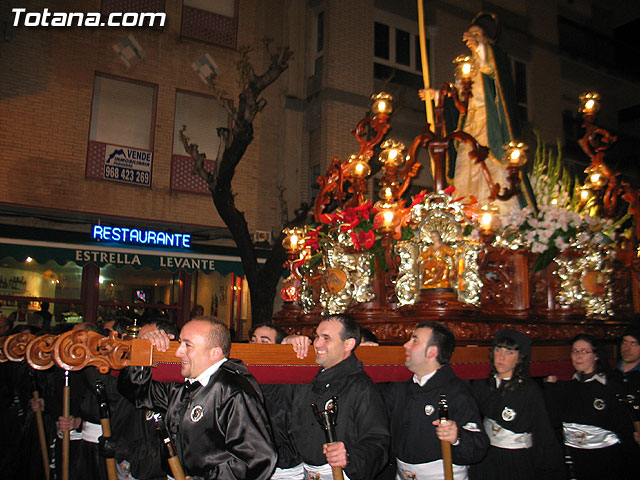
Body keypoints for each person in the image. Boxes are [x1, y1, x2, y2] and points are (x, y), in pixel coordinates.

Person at [118, 316, 277, 479]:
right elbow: (135, 390)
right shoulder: (181, 387)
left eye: (188, 345)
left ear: (215, 352)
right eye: (180, 343)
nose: (178, 352)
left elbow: (258, 458)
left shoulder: (233, 391)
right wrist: (141, 348)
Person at [263, 314, 390, 479]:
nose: (317, 343)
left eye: (326, 338)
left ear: (348, 344)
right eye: (316, 336)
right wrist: (283, 347)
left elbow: (377, 442)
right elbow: (270, 390)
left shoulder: (361, 388)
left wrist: (349, 457)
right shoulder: (309, 382)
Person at [382, 321, 488, 479]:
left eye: (414, 340)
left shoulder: (456, 392)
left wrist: (458, 437)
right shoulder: (400, 389)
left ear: (431, 352)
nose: (406, 345)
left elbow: (478, 447)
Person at [469, 329, 564, 479]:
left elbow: (542, 429)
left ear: (520, 358)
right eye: (498, 350)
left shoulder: (529, 390)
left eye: (509, 353)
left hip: (516, 458)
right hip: (487, 457)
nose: (501, 357)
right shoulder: (482, 385)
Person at [545, 333, 637, 479]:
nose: (578, 356)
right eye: (575, 351)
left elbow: (623, 430)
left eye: (584, 351)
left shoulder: (609, 388)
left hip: (605, 461)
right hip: (575, 460)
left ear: (596, 355)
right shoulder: (564, 388)